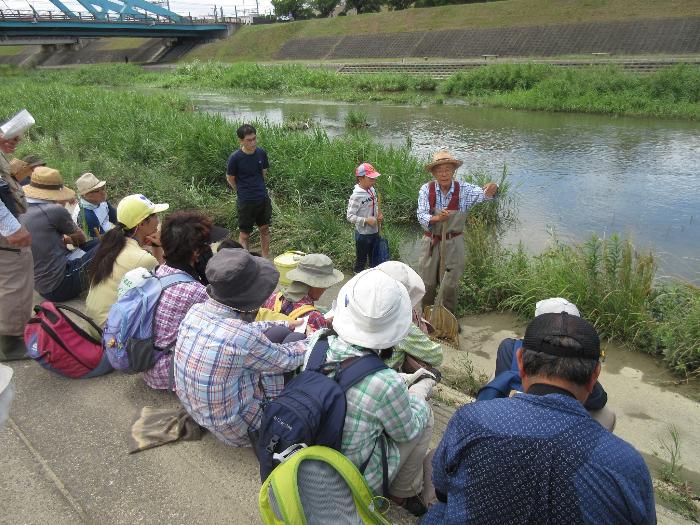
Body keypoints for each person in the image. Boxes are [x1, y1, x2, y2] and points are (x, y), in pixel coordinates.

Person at [423, 312, 656, 524]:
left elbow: (442, 487)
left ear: (521, 363)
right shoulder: (627, 465)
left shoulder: (472, 421)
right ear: (595, 375)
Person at [304, 269, 434, 516]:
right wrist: (419, 391)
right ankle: (401, 493)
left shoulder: (317, 342)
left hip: (308, 460)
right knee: (425, 416)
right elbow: (406, 432)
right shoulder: (385, 383)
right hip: (351, 480)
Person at [174, 249, 307, 447]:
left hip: (199, 413)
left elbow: (240, 331)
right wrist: (314, 339)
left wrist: (282, 324)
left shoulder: (196, 311)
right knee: (294, 341)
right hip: (239, 429)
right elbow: (285, 360)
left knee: (279, 333)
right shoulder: (240, 336)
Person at [477, 297, 616, 431]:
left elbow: (504, 380)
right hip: (566, 422)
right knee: (607, 416)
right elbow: (598, 399)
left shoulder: (512, 347)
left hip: (514, 410)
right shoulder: (584, 357)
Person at [417, 151, 498, 313]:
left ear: (454, 171)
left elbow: (486, 195)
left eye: (448, 169)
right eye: (440, 170)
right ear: (434, 173)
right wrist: (437, 218)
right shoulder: (427, 189)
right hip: (431, 241)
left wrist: (493, 188)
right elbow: (421, 214)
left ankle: (447, 318)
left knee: (450, 284)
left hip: (454, 242)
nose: (444, 174)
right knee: (427, 283)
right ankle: (426, 317)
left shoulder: (465, 189)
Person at [142, 211, 213, 390]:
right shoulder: (195, 291)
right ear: (196, 252)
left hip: (148, 364)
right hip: (169, 374)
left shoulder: (159, 271)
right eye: (206, 246)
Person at [85, 194, 167, 327]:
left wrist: (154, 246)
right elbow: (165, 282)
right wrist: (159, 247)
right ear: (141, 224)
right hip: (110, 333)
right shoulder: (142, 259)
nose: (158, 221)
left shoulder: (112, 243)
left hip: (92, 321)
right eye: (154, 216)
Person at [20, 167, 98, 302]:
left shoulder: (20, 207)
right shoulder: (53, 210)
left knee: (105, 241)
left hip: (40, 284)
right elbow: (81, 238)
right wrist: (68, 237)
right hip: (60, 285)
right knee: (112, 243)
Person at [0, 127, 33, 361]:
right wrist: (11, 227)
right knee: (14, 281)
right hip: (7, 233)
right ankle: (10, 344)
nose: (17, 140)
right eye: (11, 133)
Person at [375, 261, 443, 373]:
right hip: (384, 379)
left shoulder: (353, 308)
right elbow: (437, 357)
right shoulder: (402, 325)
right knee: (435, 373)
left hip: (354, 370)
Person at [262, 253, 344, 333]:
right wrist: (325, 323)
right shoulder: (314, 316)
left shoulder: (273, 297)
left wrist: (324, 322)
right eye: (325, 285)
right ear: (315, 285)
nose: (325, 289)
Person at [226, 124, 271, 258]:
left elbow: (263, 172)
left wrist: (259, 187)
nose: (253, 142)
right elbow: (230, 178)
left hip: (262, 198)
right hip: (245, 201)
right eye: (249, 140)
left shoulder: (261, 153)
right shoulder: (235, 158)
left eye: (254, 139)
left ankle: (265, 260)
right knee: (245, 234)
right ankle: (245, 262)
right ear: (241, 141)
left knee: (265, 229)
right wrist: (240, 190)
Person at [347, 162, 383, 273]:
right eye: (371, 179)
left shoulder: (372, 190)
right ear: (360, 178)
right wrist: (366, 220)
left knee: (375, 259)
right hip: (363, 235)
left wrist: (378, 215)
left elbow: (374, 206)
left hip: (375, 231)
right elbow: (350, 216)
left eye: (374, 178)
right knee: (361, 260)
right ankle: (357, 281)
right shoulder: (356, 195)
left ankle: (373, 280)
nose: (374, 181)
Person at [75, 172, 117, 240]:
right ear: (86, 195)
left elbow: (116, 218)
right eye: (97, 191)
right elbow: (103, 240)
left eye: (103, 188)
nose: (103, 192)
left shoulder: (101, 201)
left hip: (107, 232)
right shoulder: (86, 215)